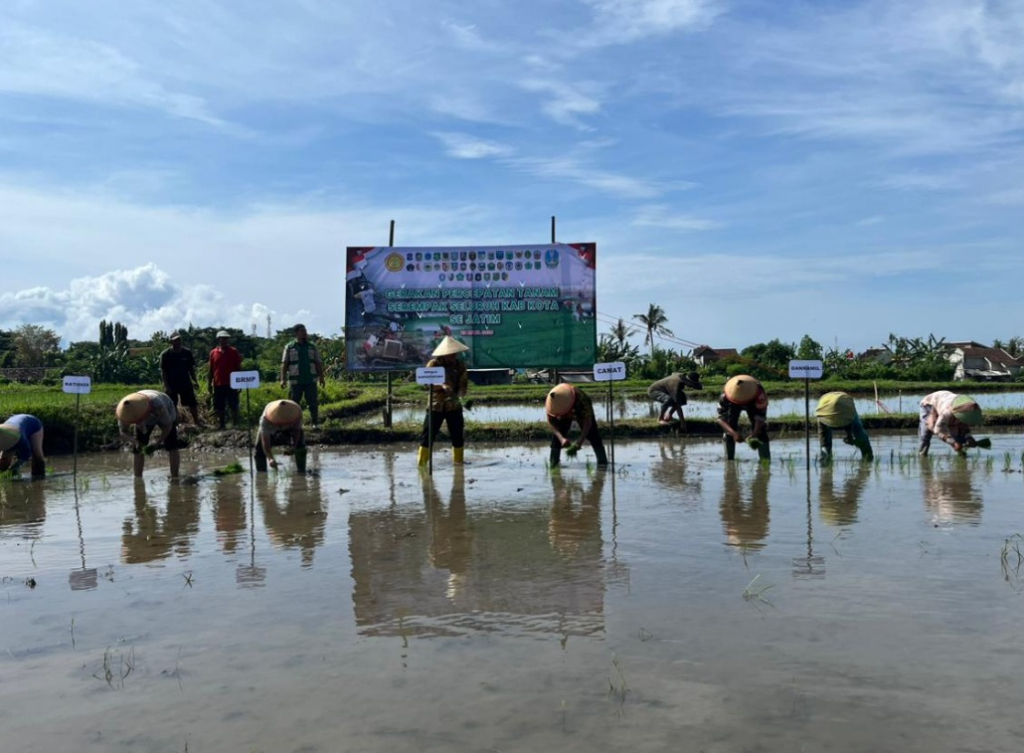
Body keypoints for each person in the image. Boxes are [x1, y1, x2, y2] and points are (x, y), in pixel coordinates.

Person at [418, 335, 469, 467]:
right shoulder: (433, 364)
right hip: (436, 406)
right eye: (451, 354)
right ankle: (422, 465)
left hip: (454, 406)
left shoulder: (460, 365)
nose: (454, 356)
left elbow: (463, 385)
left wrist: (459, 395)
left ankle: (458, 465)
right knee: (427, 436)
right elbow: (426, 384)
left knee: (457, 436)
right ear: (444, 354)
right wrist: (441, 386)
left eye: (455, 353)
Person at [116, 390, 182, 477]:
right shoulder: (124, 411)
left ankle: (175, 477)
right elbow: (123, 432)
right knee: (139, 448)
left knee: (172, 444)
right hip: (146, 419)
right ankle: (138, 479)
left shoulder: (157, 405)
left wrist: (158, 442)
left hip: (165, 407)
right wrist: (135, 442)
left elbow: (168, 426)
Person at [545, 383, 608, 468]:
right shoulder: (552, 404)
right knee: (557, 438)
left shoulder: (581, 399)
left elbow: (588, 422)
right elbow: (551, 423)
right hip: (562, 414)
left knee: (593, 434)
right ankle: (553, 464)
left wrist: (581, 440)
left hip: (579, 408)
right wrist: (561, 438)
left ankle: (602, 463)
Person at [716, 374, 770, 461]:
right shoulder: (725, 396)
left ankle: (765, 461)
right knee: (729, 430)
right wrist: (734, 434)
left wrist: (755, 434)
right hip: (733, 405)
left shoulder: (759, 394)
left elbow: (760, 416)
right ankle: (729, 460)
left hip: (753, 403)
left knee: (761, 432)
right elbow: (720, 418)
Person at [280, 324, 325, 428]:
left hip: (310, 380)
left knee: (313, 402)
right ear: (296, 333)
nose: (304, 333)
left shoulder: (312, 347)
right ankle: (294, 424)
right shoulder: (289, 347)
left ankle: (315, 423)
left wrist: (321, 377)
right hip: (295, 381)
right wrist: (282, 379)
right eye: (301, 331)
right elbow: (284, 364)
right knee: (294, 403)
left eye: (305, 331)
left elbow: (317, 363)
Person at [918, 391, 982, 456]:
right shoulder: (946, 412)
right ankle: (922, 455)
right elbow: (938, 429)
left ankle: (961, 454)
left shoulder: (969, 410)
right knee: (926, 433)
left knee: (960, 434)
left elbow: (964, 426)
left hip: (946, 400)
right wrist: (953, 443)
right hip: (930, 403)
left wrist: (968, 437)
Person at [815, 391, 873, 462]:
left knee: (824, 442)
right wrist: (850, 437)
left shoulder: (845, 406)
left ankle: (825, 461)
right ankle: (868, 456)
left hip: (825, 411)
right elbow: (849, 422)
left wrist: (849, 436)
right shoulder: (848, 407)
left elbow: (822, 435)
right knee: (859, 432)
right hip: (827, 411)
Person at [160, 332, 202, 425]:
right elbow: (164, 372)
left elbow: (191, 369)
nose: (178, 342)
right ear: (171, 342)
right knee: (172, 405)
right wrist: (167, 386)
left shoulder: (187, 353)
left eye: (179, 340)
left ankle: (196, 422)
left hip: (185, 382)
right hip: (172, 384)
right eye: (175, 340)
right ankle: (175, 423)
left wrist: (195, 381)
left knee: (192, 403)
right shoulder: (166, 354)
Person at [256, 399, 306, 472]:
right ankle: (261, 472)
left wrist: (294, 446)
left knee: (300, 446)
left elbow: (297, 431)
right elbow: (265, 442)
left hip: (290, 428)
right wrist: (270, 458)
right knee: (259, 448)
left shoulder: (296, 412)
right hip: (271, 427)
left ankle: (301, 471)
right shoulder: (266, 420)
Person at [208, 329, 242, 429]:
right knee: (220, 405)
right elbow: (211, 369)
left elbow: (238, 368)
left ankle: (235, 424)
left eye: (226, 338)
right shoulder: (213, 353)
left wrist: (239, 383)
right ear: (219, 339)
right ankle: (222, 424)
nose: (224, 340)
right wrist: (209, 383)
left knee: (233, 404)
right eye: (222, 338)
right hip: (218, 383)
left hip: (232, 383)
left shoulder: (233, 351)